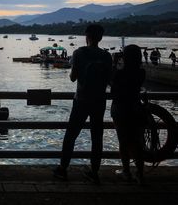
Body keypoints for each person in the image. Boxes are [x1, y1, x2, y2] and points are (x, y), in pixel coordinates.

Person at [53, 24, 112, 183]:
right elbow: (109, 80)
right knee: (97, 137)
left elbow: (73, 77)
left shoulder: (79, 53)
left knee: (71, 135)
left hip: (82, 100)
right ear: (100, 37)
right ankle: (94, 172)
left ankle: (63, 169)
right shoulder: (106, 56)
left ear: (87, 36)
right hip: (99, 101)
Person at [110, 44, 146, 185]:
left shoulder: (119, 73)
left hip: (120, 109)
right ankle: (140, 174)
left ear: (124, 57)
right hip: (135, 108)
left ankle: (126, 172)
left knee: (123, 141)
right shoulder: (141, 73)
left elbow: (112, 87)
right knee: (137, 142)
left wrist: (114, 63)